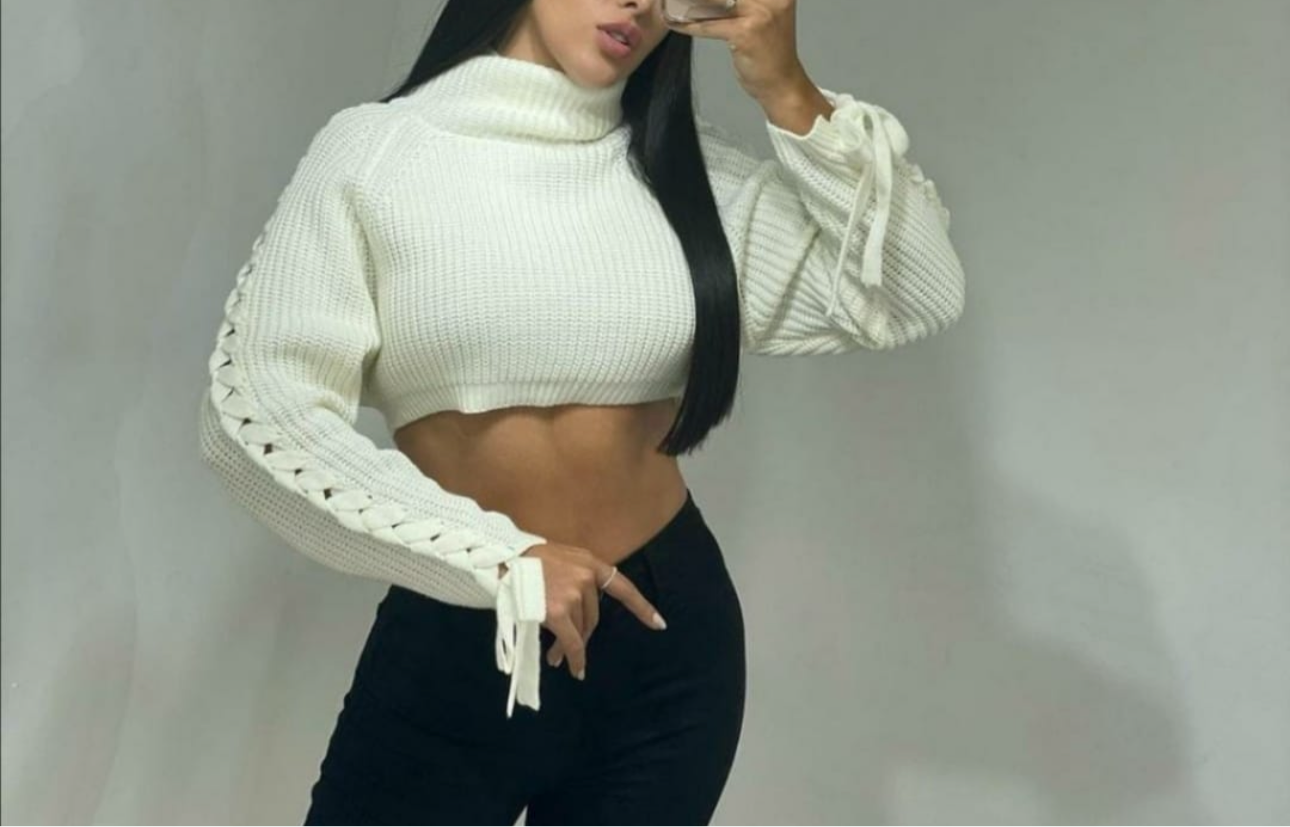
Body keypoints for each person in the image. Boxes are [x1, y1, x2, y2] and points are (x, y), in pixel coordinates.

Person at [197, 0, 966, 823]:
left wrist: (788, 90)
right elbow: (256, 415)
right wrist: (495, 558)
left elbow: (912, 291)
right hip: (467, 627)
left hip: (667, 648)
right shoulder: (379, 156)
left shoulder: (682, 173)